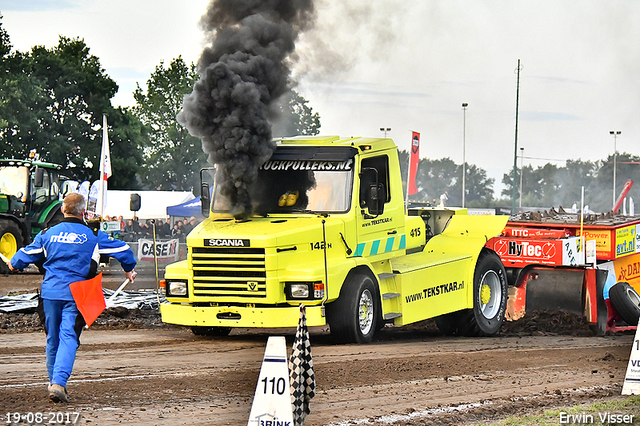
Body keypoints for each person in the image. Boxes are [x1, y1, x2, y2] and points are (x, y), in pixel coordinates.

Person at [5, 193, 137, 403]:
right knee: (69, 337)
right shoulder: (93, 235)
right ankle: (58, 383)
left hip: (50, 294)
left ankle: (53, 383)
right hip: (77, 295)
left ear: (63, 210)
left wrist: (13, 263)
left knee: (53, 339)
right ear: (83, 212)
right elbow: (124, 250)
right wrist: (129, 270)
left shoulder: (48, 234)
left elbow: (24, 256)